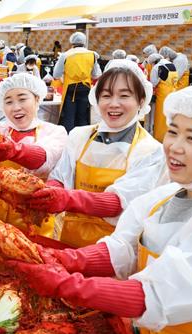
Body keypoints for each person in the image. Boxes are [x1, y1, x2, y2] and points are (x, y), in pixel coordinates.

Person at [9, 85, 192, 334]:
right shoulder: (164, 197)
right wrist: (65, 260)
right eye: (173, 132)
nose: (174, 147)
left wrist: (66, 284)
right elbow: (123, 249)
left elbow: (155, 295)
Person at [23, 60, 164, 248]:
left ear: (141, 101)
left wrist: (65, 198)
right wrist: (48, 191)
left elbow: (117, 203)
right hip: (67, 241)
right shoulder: (79, 136)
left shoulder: (150, 151)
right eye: (106, 96)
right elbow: (60, 177)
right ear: (96, 100)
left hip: (112, 253)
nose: (114, 104)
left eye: (124, 96)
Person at [0, 73, 67, 235]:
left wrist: (13, 151)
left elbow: (44, 160)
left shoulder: (54, 132)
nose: (16, 107)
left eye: (22, 99)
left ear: (36, 99)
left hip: (35, 223)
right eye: (9, 102)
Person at [53, 32, 102, 132]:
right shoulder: (92, 55)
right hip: (86, 88)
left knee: (69, 116)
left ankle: (69, 140)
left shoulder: (65, 55)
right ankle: (82, 140)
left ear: (72, 42)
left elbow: (56, 75)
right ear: (84, 42)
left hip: (70, 88)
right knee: (83, 115)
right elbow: (96, 74)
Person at [149, 53, 178, 143]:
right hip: (173, 92)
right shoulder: (172, 65)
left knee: (160, 116)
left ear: (154, 61)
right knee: (169, 116)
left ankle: (159, 138)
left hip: (163, 94)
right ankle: (169, 136)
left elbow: (153, 83)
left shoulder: (157, 67)